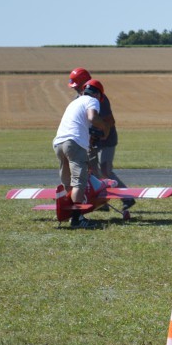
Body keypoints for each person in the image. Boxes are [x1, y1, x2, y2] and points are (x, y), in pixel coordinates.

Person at [53, 71, 110, 228]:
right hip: (74, 143)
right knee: (80, 182)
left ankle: (69, 212)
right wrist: (105, 127)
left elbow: (80, 125)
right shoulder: (92, 101)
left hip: (59, 142)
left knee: (67, 182)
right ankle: (77, 219)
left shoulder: (74, 103)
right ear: (97, 94)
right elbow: (92, 118)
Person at [85, 78, 136, 212]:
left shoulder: (101, 99)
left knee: (105, 171)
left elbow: (110, 121)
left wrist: (102, 134)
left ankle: (127, 197)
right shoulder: (79, 98)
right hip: (91, 140)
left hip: (106, 139)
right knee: (93, 172)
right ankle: (102, 203)